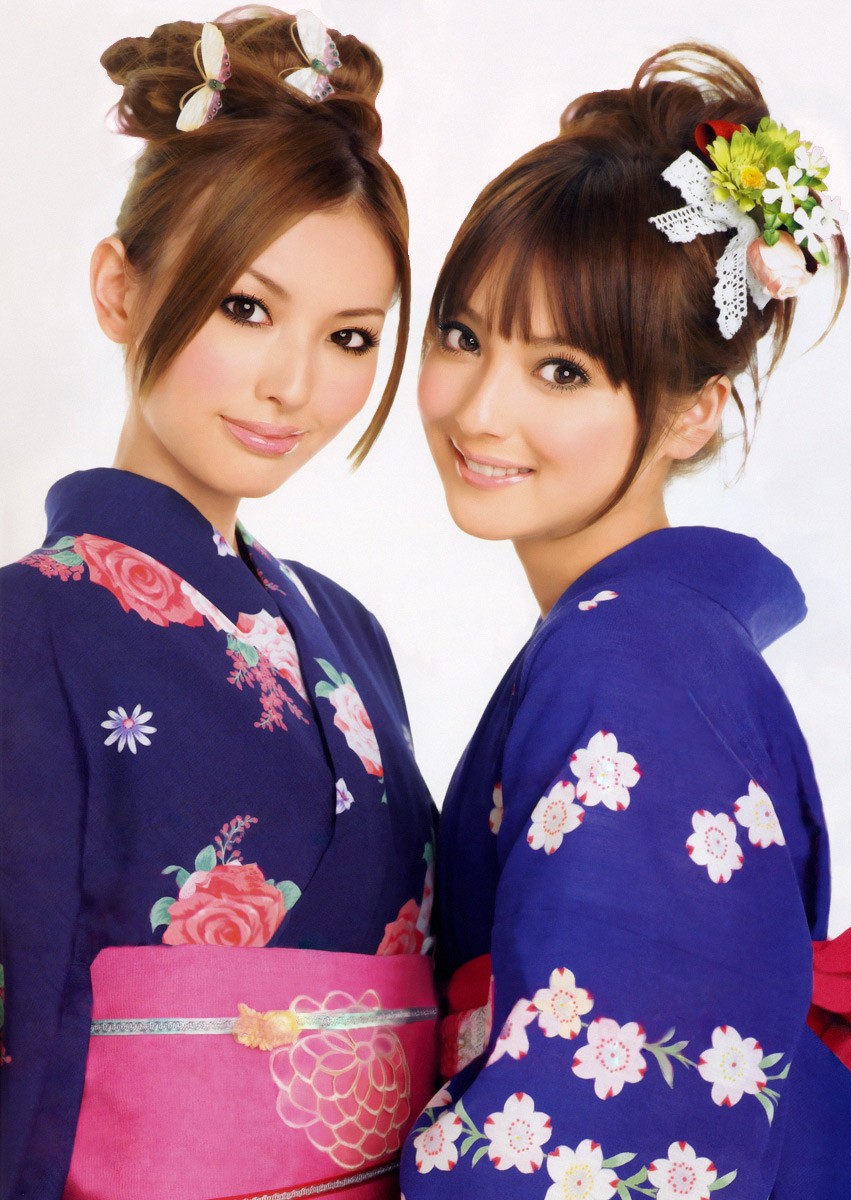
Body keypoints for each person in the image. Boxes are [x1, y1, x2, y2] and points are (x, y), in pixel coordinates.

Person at [399, 43, 851, 1199]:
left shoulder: (635, 656)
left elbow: (600, 1117)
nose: (480, 409)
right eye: (463, 335)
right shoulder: (642, 639)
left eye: (562, 370)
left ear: (694, 412)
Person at [0, 9, 437, 1199]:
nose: (295, 384)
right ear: (119, 289)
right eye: (248, 307)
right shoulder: (28, 628)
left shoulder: (348, 631)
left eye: (351, 337)